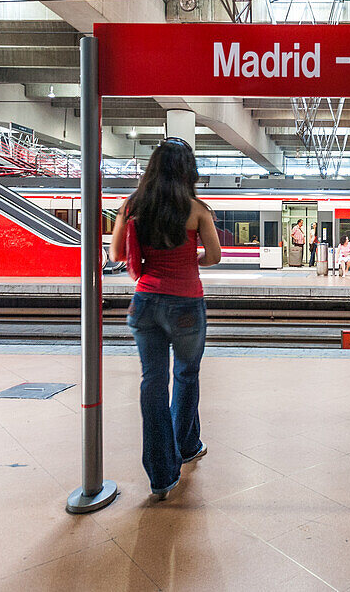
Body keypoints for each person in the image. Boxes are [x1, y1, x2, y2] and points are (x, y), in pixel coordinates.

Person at [110, 137, 222, 501]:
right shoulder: (198, 209)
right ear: (188, 171)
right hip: (187, 304)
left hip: (145, 303)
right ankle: (187, 447)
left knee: (152, 384)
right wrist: (191, 261)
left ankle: (161, 476)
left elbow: (116, 253)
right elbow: (215, 256)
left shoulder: (133, 205)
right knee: (186, 376)